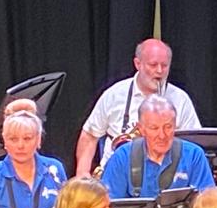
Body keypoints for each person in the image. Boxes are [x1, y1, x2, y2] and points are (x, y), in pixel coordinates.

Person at [76, 38, 201, 176]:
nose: (159, 71)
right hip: (115, 176)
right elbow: (90, 135)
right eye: (153, 65)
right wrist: (82, 174)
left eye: (164, 65)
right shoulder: (114, 94)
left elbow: (194, 143)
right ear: (137, 64)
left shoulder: (180, 99)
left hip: (167, 177)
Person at [99, 95, 215, 199]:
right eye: (154, 128)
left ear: (175, 126)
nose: (162, 135)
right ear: (141, 129)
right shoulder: (122, 157)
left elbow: (207, 205)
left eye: (168, 127)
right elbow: (110, 207)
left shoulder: (194, 155)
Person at [0, 110, 65, 208]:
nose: (20, 146)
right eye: (13, 139)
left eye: (27, 138)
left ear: (38, 140)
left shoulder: (55, 169)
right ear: (4, 141)